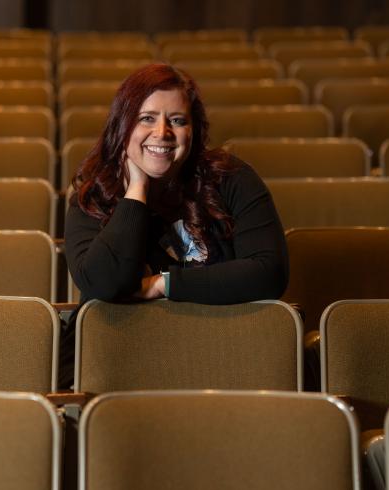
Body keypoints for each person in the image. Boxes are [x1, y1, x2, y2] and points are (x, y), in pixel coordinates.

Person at [60, 63, 288, 386]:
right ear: (122, 125)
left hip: (215, 365)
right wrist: (136, 192)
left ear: (193, 131)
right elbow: (103, 283)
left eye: (177, 120)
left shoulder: (232, 180)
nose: (163, 132)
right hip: (119, 368)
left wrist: (163, 284)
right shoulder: (93, 194)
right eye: (147, 118)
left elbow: (269, 272)